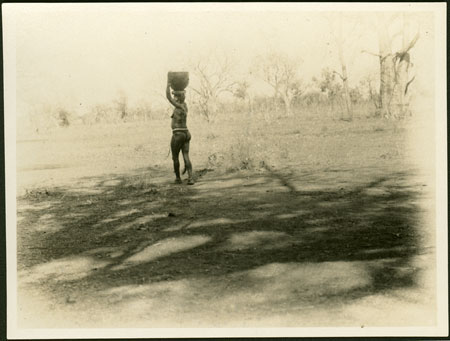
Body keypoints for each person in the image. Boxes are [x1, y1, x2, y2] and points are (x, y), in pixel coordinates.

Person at [166, 79, 194, 185]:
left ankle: (178, 179)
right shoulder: (185, 106)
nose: (173, 98)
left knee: (175, 157)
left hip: (178, 134)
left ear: (177, 98)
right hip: (186, 133)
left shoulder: (179, 105)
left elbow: (168, 97)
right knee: (186, 155)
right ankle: (191, 178)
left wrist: (167, 85)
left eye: (175, 96)